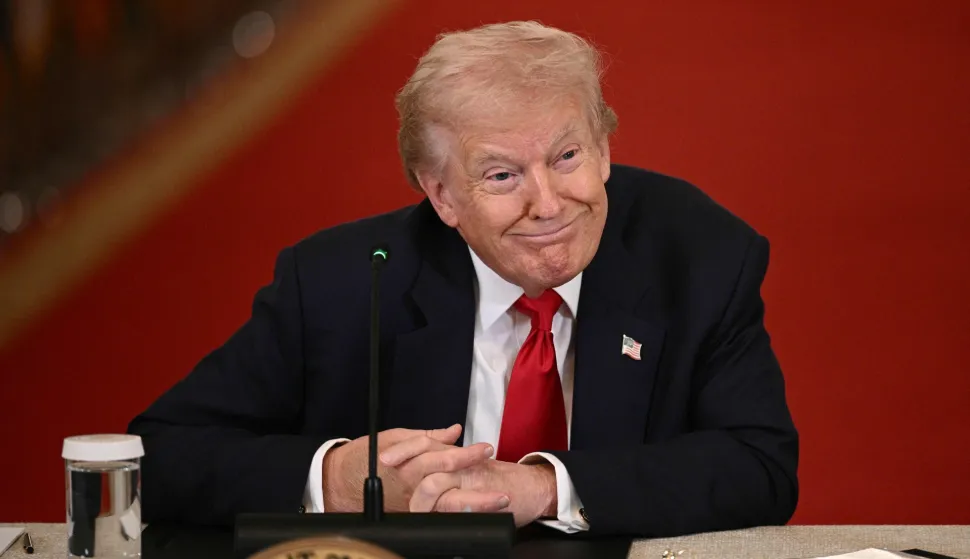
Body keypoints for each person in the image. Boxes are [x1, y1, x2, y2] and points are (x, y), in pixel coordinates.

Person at [128, 20, 798, 538]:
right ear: (441, 195)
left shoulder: (700, 255)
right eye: (502, 175)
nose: (548, 203)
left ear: (604, 149)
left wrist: (545, 486)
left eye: (568, 156)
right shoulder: (338, 283)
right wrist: (330, 477)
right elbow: (157, 457)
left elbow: (760, 466)